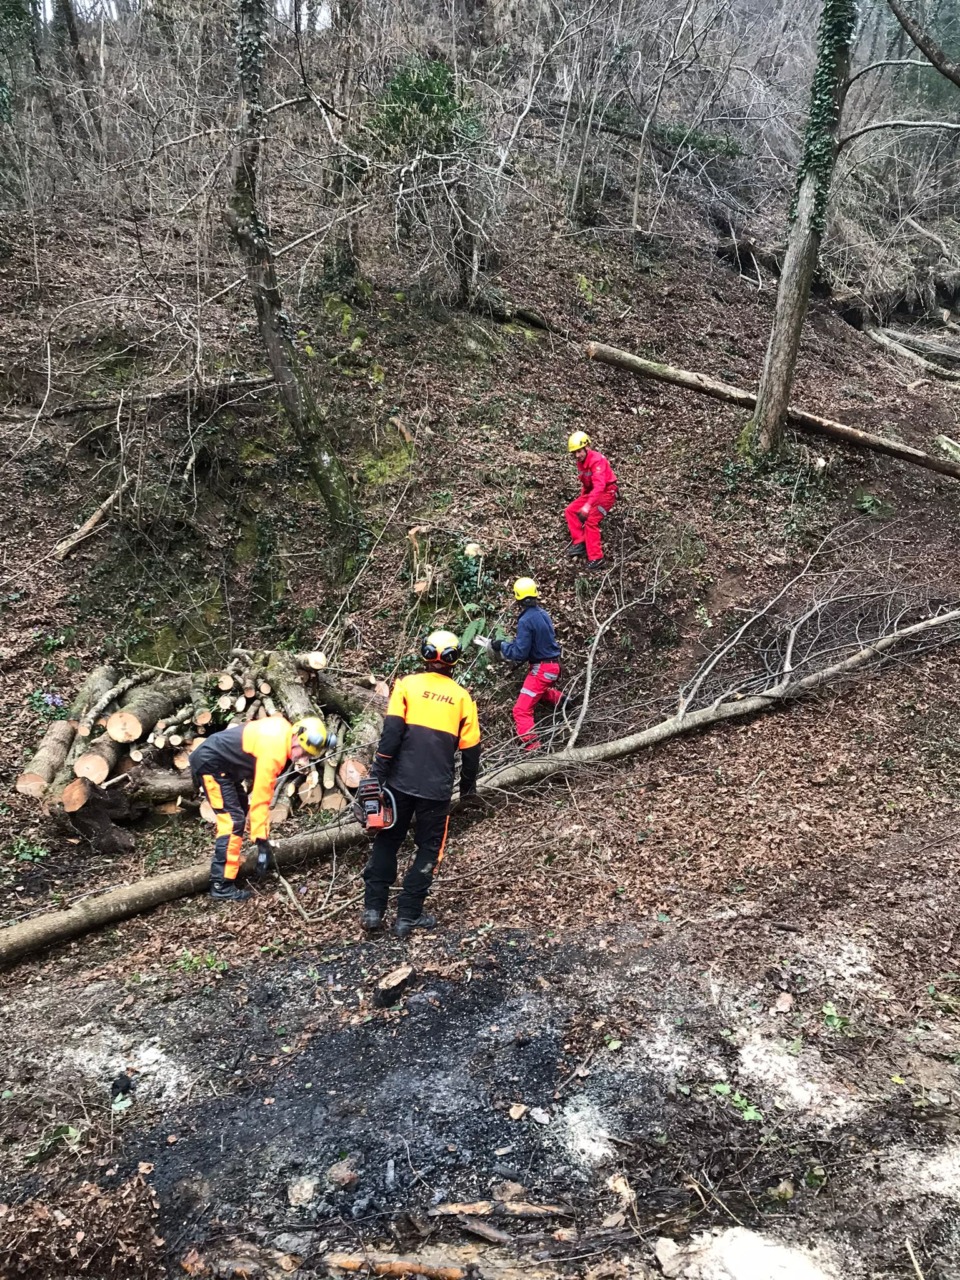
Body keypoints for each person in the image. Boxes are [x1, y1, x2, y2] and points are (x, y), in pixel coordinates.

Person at [361, 629, 481, 939]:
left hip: (399, 781)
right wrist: (468, 789)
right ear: (454, 659)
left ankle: (374, 911)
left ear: (425, 654)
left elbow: (390, 736)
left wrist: (377, 774)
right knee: (428, 849)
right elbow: (471, 751)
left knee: (387, 841)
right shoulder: (462, 698)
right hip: (435, 789)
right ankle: (408, 915)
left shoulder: (406, 686)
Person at [191, 715, 333, 902]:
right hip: (211, 765)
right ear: (297, 737)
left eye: (308, 756)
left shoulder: (283, 731)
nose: (302, 758)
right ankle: (221, 884)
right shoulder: (274, 751)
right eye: (303, 752)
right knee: (233, 821)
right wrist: (262, 841)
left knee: (240, 810)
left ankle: (231, 859)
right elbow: (261, 797)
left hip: (224, 767)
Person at [476, 578, 563, 751]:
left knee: (521, 710)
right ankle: (565, 701)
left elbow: (519, 653)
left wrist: (501, 645)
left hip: (542, 669)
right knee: (539, 691)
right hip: (554, 666)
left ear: (517, 598)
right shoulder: (543, 614)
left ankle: (533, 748)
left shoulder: (525, 621)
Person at [564, 430, 618, 570]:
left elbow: (599, 485)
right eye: (574, 453)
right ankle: (580, 542)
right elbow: (587, 484)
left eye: (579, 451)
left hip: (607, 493)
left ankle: (596, 558)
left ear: (586, 447)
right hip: (593, 493)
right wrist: (583, 500)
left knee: (591, 521)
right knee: (570, 511)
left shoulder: (597, 460)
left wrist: (588, 506)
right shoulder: (581, 462)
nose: (577, 455)